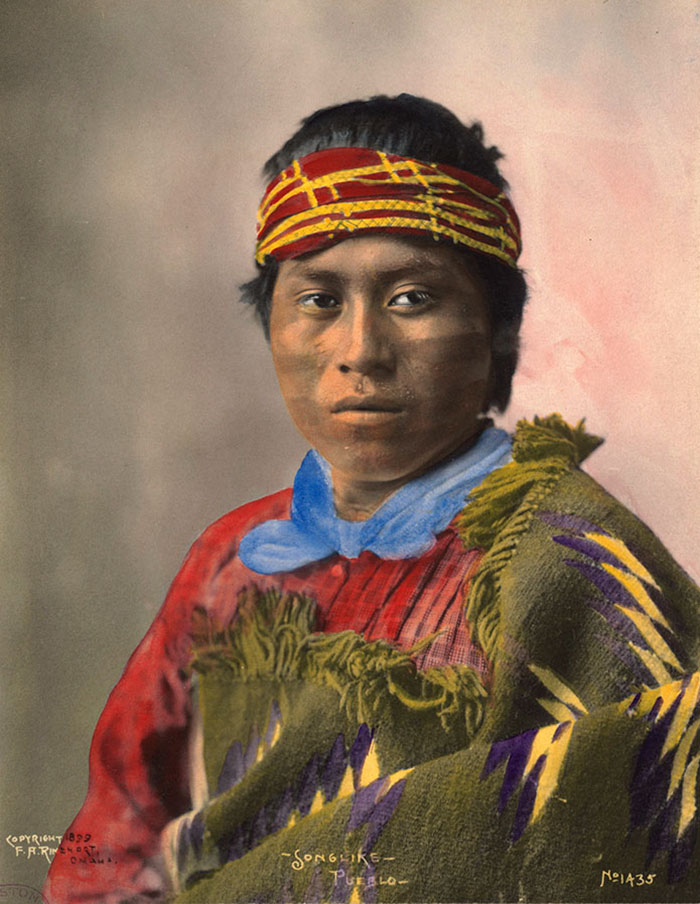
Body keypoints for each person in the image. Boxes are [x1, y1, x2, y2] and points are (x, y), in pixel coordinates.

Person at [44, 94, 700, 904]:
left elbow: (657, 836)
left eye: (412, 299)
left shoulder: (573, 558)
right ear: (272, 326)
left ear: (498, 331)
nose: (361, 352)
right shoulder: (230, 560)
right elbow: (115, 830)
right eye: (319, 301)